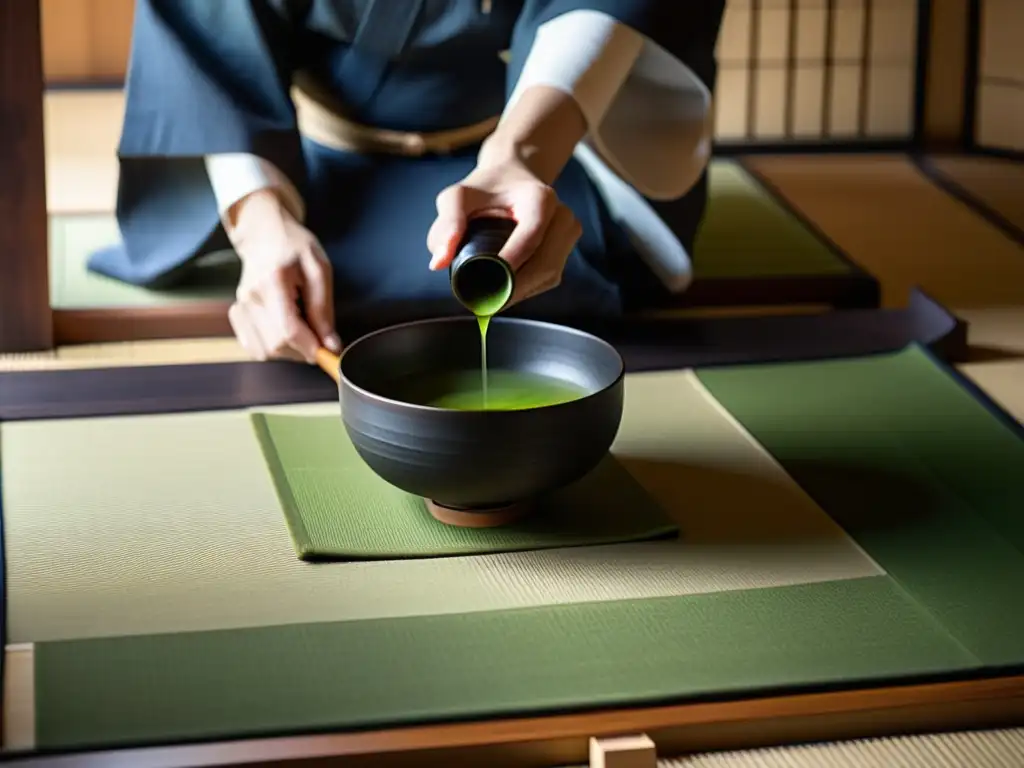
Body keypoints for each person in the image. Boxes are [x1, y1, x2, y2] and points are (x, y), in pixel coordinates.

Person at [92, 0, 724, 362]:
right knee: (296, 281)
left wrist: (523, 155)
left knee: (550, 258)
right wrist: (261, 225)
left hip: (530, 147)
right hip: (315, 161)